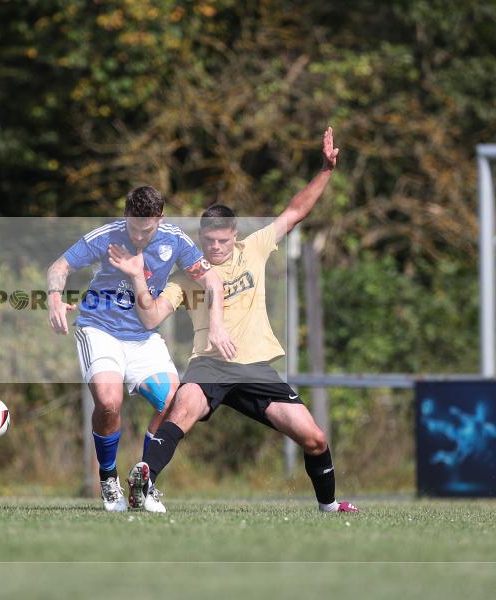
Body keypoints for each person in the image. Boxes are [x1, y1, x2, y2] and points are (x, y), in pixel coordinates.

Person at [112, 128, 358, 513]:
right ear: (200, 237)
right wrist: (135, 277)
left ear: (235, 236)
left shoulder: (253, 249)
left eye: (222, 242)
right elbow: (151, 317)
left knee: (314, 438)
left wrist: (326, 170)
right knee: (181, 411)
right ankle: (145, 481)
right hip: (209, 366)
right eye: (209, 241)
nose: (215, 248)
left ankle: (329, 506)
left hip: (255, 368)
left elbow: (295, 211)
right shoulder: (186, 275)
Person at [47, 186, 235, 512]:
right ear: (125, 216)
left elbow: (212, 281)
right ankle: (109, 480)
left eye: (145, 231)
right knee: (109, 402)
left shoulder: (175, 240)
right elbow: (59, 267)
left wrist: (217, 325)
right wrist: (53, 299)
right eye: (133, 228)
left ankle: (144, 482)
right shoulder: (108, 236)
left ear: (160, 219)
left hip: (143, 337)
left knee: (172, 402)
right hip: (99, 328)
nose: (138, 236)